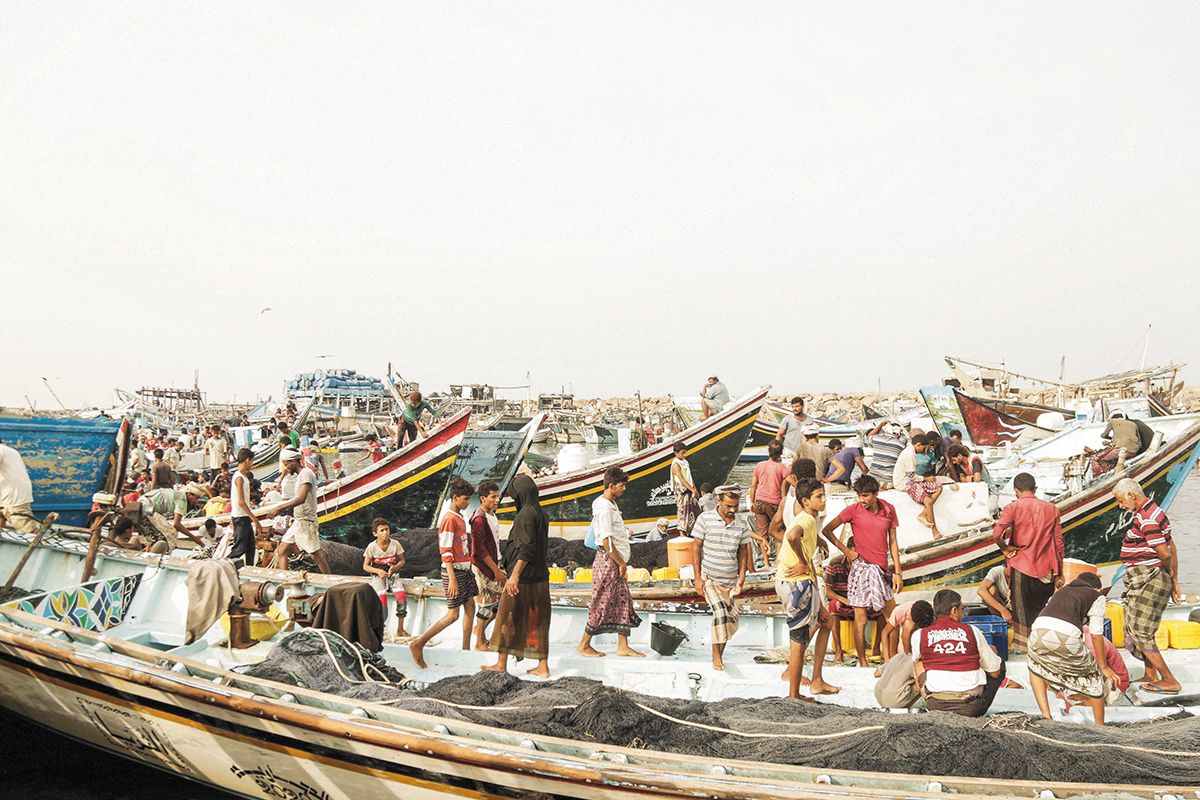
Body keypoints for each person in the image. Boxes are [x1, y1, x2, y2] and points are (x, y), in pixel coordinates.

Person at [821, 475, 903, 667]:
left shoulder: (889, 510)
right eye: (859, 495)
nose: (862, 500)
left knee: (893, 617)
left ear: (875, 494)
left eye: (865, 496)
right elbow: (827, 530)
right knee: (861, 619)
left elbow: (893, 542)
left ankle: (890, 659)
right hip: (860, 569)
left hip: (882, 570)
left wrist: (898, 572)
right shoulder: (853, 510)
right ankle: (863, 662)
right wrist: (847, 551)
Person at [1114, 477, 1182, 693]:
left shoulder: (1147, 519)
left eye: (1121, 501)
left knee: (1141, 632)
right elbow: (1172, 546)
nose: (1120, 505)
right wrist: (1173, 579)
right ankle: (1150, 674)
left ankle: (1169, 679)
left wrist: (1156, 572)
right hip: (1152, 577)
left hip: (1149, 579)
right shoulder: (1154, 511)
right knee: (1137, 628)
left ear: (1132, 495)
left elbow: (1164, 552)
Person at [483, 474, 552, 678]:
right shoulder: (542, 514)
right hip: (541, 577)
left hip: (522, 578)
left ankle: (501, 664)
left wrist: (513, 576)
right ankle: (543, 666)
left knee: (507, 617)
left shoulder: (525, 515)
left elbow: (526, 549)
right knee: (540, 620)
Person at [1026, 573, 1119, 725]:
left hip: (1037, 631)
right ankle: (1100, 727)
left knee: (1035, 667)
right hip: (1066, 635)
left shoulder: (1061, 591)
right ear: (1097, 588)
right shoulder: (1096, 596)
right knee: (1093, 677)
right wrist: (1103, 666)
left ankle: (1046, 716)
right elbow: (1096, 634)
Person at [776, 479, 839, 698]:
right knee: (799, 638)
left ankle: (817, 680)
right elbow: (793, 536)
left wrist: (817, 545)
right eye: (819, 496)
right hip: (796, 583)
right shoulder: (807, 520)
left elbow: (800, 542)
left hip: (803, 580)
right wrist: (803, 561)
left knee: (826, 620)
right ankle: (794, 693)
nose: (823, 500)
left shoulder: (810, 520)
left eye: (823, 495)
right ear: (805, 500)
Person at [992, 472, 1064, 654]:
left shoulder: (1013, 508)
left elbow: (996, 534)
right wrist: (1059, 572)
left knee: (1022, 613)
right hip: (1047, 569)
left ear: (1016, 491)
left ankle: (1024, 649)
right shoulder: (1052, 508)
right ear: (1035, 489)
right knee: (1042, 610)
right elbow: (1058, 543)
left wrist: (1005, 548)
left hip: (1021, 565)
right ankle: (1043, 647)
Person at [579, 467, 645, 658]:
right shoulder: (605, 508)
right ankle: (584, 644)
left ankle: (623, 645)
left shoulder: (609, 504)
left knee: (623, 601)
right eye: (621, 485)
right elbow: (606, 541)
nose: (624, 488)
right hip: (610, 562)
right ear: (611, 485)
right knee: (602, 601)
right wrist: (621, 563)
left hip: (615, 560)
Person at [410, 480, 477, 669]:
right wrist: (452, 577)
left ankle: (465, 649)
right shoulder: (449, 519)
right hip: (454, 571)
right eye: (465, 499)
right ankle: (418, 643)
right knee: (453, 614)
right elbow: (445, 550)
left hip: (465, 569)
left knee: (471, 607)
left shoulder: (459, 517)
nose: (467, 503)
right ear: (455, 498)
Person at [912, 589, 1005, 717]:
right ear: (954, 611)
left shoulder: (919, 635)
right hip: (971, 708)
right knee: (998, 662)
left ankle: (927, 697)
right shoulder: (972, 631)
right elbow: (995, 672)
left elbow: (917, 666)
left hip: (936, 705)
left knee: (918, 663)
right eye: (962, 609)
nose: (963, 613)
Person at [692, 484, 752, 670]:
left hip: (730, 581)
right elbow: (696, 547)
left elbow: (743, 553)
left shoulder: (741, 523)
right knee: (720, 613)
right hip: (710, 578)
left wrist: (741, 578)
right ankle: (715, 656)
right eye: (728, 506)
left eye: (735, 506)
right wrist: (698, 578)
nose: (732, 510)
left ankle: (720, 654)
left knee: (731, 619)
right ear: (719, 502)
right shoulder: (705, 518)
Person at [269, 449, 332, 574]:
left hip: (306, 521)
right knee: (282, 551)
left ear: (294, 461)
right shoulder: (300, 476)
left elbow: (301, 498)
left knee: (316, 554)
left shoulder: (306, 474)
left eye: (287, 464)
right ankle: (286, 579)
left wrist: (279, 508)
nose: (286, 468)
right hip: (298, 521)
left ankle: (329, 579)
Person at [874, 600, 935, 709]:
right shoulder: (917, 662)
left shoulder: (897, 657)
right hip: (894, 702)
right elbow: (920, 682)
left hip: (877, 695)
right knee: (925, 680)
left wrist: (890, 665)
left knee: (903, 677)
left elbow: (877, 673)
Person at [470, 481, 506, 650]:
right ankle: (479, 640)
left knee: (498, 603)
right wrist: (496, 570)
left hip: (494, 562)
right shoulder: (479, 519)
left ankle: (480, 634)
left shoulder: (492, 515)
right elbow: (479, 550)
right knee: (486, 603)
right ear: (483, 498)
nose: (497, 500)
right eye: (493, 497)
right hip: (485, 566)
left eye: (498, 496)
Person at [362, 518, 408, 640]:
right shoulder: (371, 547)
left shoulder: (395, 544)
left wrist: (395, 567)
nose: (385, 533)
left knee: (401, 598)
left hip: (393, 576)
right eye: (381, 530)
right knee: (382, 603)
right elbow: (365, 566)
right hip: (378, 577)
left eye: (387, 529)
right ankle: (381, 629)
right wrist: (378, 571)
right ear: (375, 533)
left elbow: (402, 560)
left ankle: (400, 629)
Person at [748, 441, 788, 568]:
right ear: (781, 453)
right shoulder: (782, 468)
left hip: (759, 503)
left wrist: (752, 503)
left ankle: (766, 564)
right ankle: (779, 561)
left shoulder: (760, 465)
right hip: (774, 504)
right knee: (778, 531)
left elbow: (753, 486)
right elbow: (786, 486)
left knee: (762, 535)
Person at [228, 448, 264, 568]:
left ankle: (249, 570)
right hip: (240, 517)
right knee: (239, 548)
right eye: (252, 461)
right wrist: (255, 519)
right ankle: (226, 567)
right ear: (247, 460)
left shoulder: (242, 476)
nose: (252, 464)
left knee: (250, 547)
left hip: (243, 517)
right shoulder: (239, 477)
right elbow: (241, 502)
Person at [907, 436, 944, 539]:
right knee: (928, 501)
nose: (924, 449)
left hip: (917, 479)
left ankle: (923, 514)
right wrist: (925, 478)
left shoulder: (917, 454)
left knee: (939, 487)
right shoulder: (910, 455)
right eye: (924, 447)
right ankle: (934, 530)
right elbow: (911, 477)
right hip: (908, 483)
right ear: (918, 445)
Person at [0, 440, 38, 533]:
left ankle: (40, 545)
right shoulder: (10, 450)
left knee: (28, 531)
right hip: (10, 495)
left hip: (13, 498)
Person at [867, 421, 907, 488]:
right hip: (888, 482)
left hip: (872, 480)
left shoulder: (876, 439)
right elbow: (905, 438)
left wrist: (880, 425)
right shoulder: (901, 444)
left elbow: (869, 435)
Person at [670, 443, 699, 533]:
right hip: (682, 490)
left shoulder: (685, 462)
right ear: (676, 453)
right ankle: (681, 531)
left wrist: (694, 488)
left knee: (690, 510)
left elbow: (689, 477)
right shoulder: (675, 464)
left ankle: (689, 529)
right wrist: (692, 489)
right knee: (682, 510)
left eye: (684, 453)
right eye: (682, 453)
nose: (684, 455)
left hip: (689, 488)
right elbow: (681, 479)